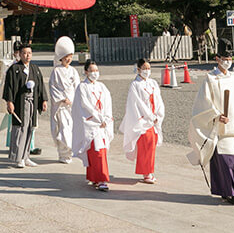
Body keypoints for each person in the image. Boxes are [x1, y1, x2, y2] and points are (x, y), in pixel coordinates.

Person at [189, 41, 234, 206]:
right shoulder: (210, 79)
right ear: (217, 59)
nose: (227, 61)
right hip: (219, 128)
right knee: (226, 162)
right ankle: (232, 192)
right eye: (224, 58)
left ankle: (228, 190)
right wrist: (216, 115)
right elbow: (203, 103)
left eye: (229, 58)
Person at [2, 42, 48, 169]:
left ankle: (26, 156)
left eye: (29, 53)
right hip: (20, 102)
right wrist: (9, 102)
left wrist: (43, 100)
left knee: (30, 128)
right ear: (20, 54)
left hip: (32, 101)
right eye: (24, 53)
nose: (27, 55)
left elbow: (41, 85)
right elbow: (9, 87)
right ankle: (18, 157)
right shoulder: (14, 69)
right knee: (20, 128)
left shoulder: (35, 69)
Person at [121, 58, 165, 184]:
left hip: (154, 118)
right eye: (144, 68)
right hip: (142, 119)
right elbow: (138, 104)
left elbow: (158, 100)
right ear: (139, 69)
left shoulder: (153, 83)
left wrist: (158, 115)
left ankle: (148, 171)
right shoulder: (135, 85)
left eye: (149, 68)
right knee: (146, 143)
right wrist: (150, 116)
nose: (147, 71)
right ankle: (147, 172)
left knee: (152, 144)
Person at [71, 60, 113, 191]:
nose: (95, 73)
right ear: (86, 72)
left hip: (102, 123)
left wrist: (106, 118)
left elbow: (107, 103)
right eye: (92, 71)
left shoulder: (102, 86)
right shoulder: (82, 87)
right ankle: (101, 179)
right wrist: (99, 118)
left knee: (100, 151)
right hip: (91, 123)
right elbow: (85, 105)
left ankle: (94, 177)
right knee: (96, 151)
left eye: (96, 70)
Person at [48, 36, 79, 164]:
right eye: (66, 56)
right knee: (63, 128)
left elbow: (77, 87)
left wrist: (76, 99)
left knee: (71, 128)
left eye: (70, 56)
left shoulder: (73, 71)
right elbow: (53, 87)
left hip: (72, 104)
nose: (68, 59)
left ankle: (70, 152)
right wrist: (62, 98)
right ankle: (63, 153)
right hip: (61, 105)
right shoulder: (56, 71)